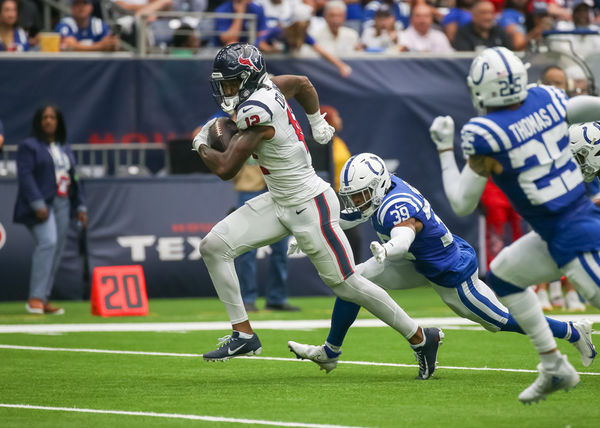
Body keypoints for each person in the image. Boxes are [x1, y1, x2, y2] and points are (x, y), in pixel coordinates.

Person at [194, 43, 444, 380]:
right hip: (279, 200)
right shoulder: (268, 85)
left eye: (231, 82)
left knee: (346, 284)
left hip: (309, 204)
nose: (226, 90)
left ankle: (420, 337)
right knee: (213, 246)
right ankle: (243, 335)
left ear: (249, 78)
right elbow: (301, 83)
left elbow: (226, 168)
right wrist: (316, 122)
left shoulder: (258, 110)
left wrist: (201, 143)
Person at [287, 153, 595, 375]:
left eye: (363, 194)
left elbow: (404, 236)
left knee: (500, 320)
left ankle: (572, 331)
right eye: (354, 196)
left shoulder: (396, 205)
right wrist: (315, 232)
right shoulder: (385, 190)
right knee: (353, 282)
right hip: (416, 261)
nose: (358, 201)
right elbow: (352, 214)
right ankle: (331, 351)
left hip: (449, 271)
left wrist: (388, 248)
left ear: (379, 186)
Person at [429, 46, 600, 403]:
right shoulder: (547, 98)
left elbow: (462, 202)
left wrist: (445, 149)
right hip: (562, 227)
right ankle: (554, 366)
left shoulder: (485, 132)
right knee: (504, 274)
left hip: (574, 235)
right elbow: (581, 106)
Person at [13, 104, 88, 315]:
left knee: (56, 250)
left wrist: (81, 205)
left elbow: (74, 178)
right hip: (40, 204)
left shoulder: (65, 147)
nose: (48, 121)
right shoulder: (29, 146)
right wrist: (37, 203)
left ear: (58, 122)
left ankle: (44, 297)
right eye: (44, 117)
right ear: (39, 122)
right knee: (48, 242)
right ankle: (35, 298)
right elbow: (25, 177)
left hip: (63, 202)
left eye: (52, 117)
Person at [256, 2, 352, 77]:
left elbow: (321, 51)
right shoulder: (279, 31)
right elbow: (260, 44)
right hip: (261, 66)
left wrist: (340, 65)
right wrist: (271, 50)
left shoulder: (304, 35)